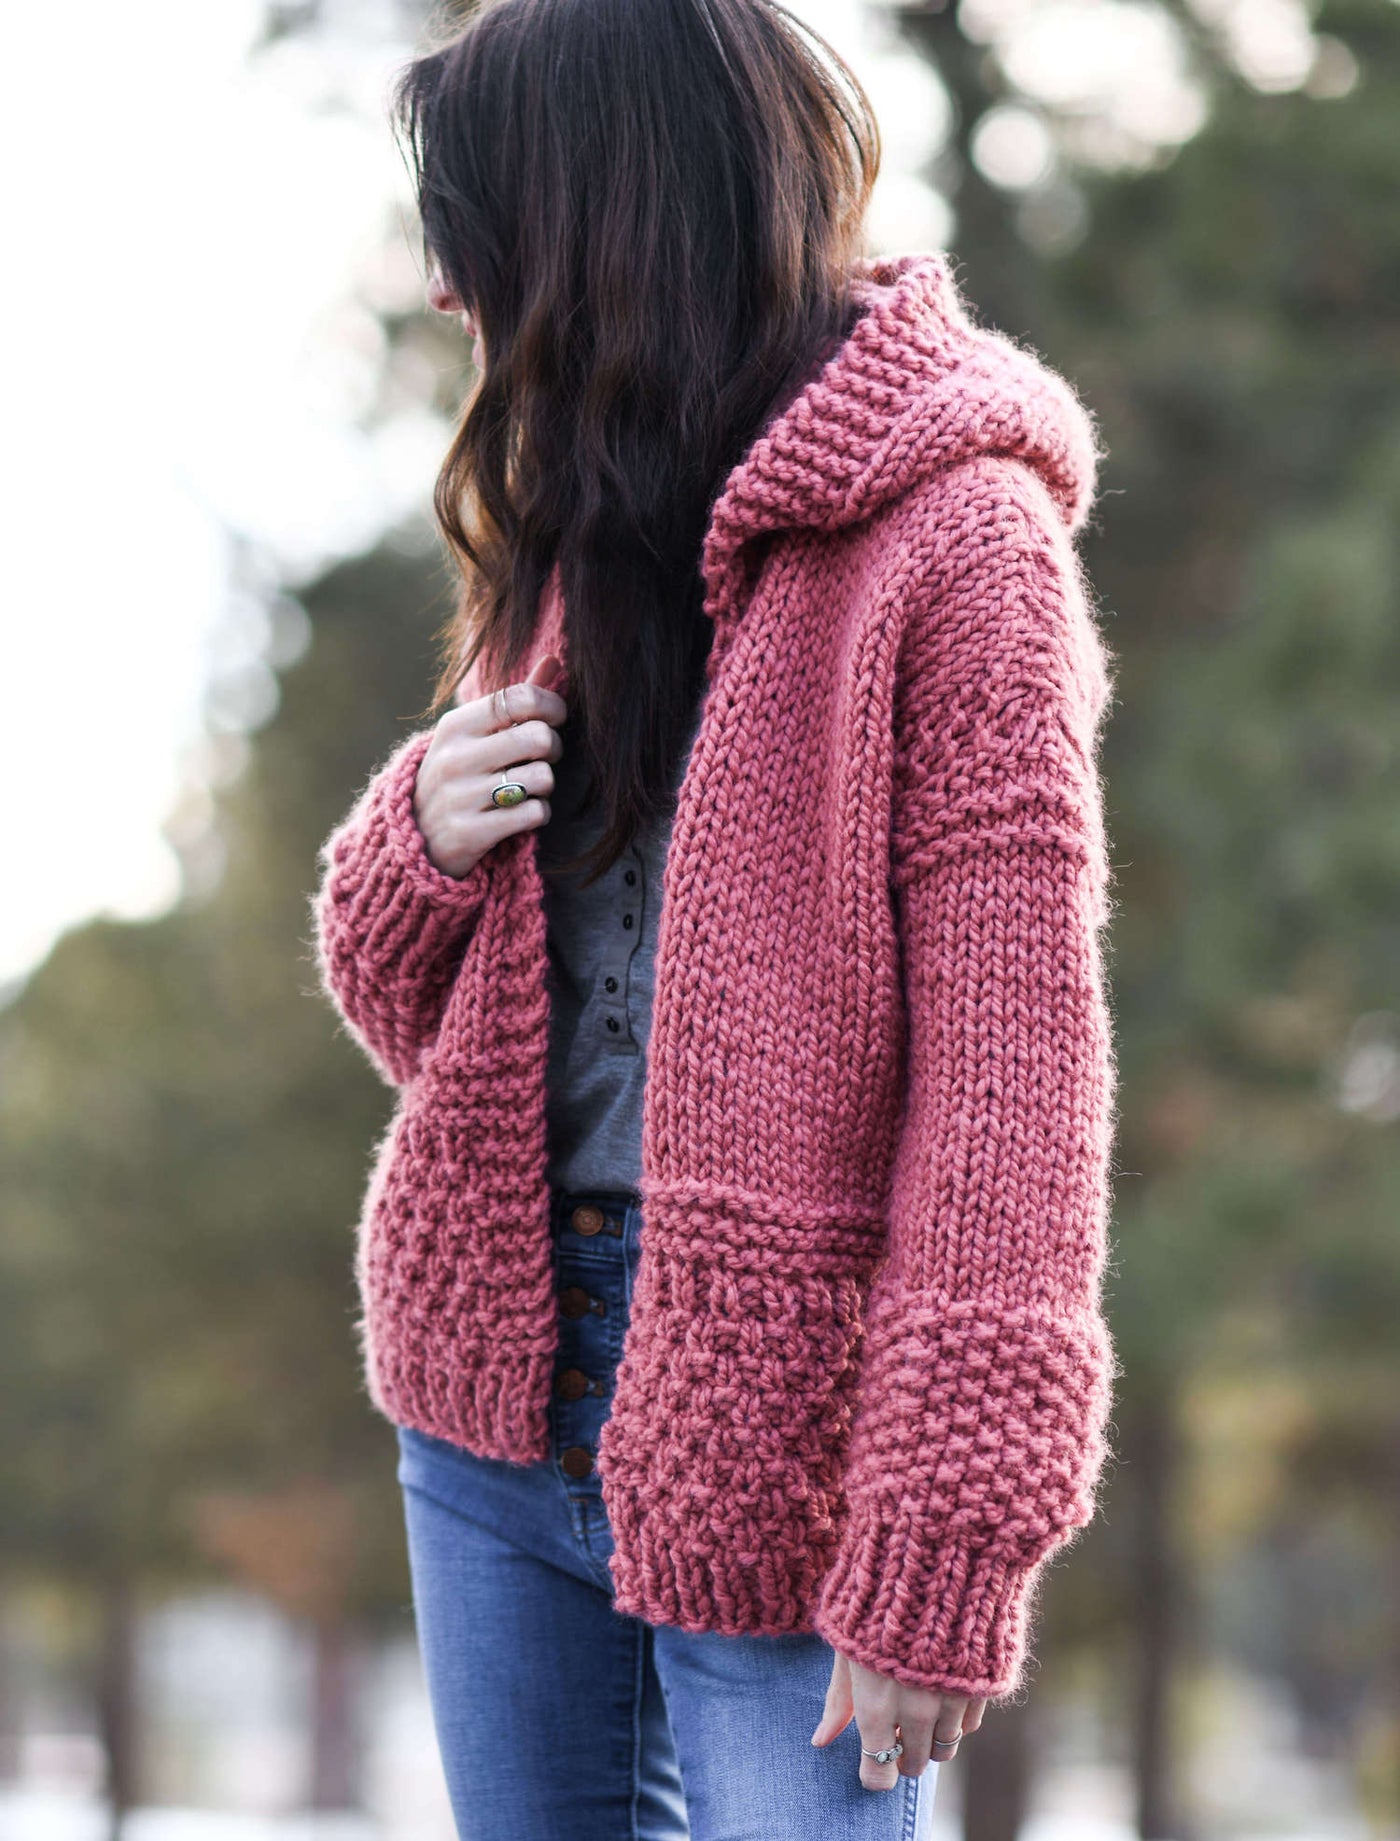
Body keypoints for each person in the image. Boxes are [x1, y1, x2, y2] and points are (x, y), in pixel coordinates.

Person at [310, 0, 1120, 1835]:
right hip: (487, 1385)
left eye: (475, 228)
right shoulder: (576, 518)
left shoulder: (960, 543)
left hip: (789, 1428)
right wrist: (413, 839)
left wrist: (946, 1534)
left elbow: (1013, 1096)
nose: (447, 287)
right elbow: (415, 1025)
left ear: (602, 219)